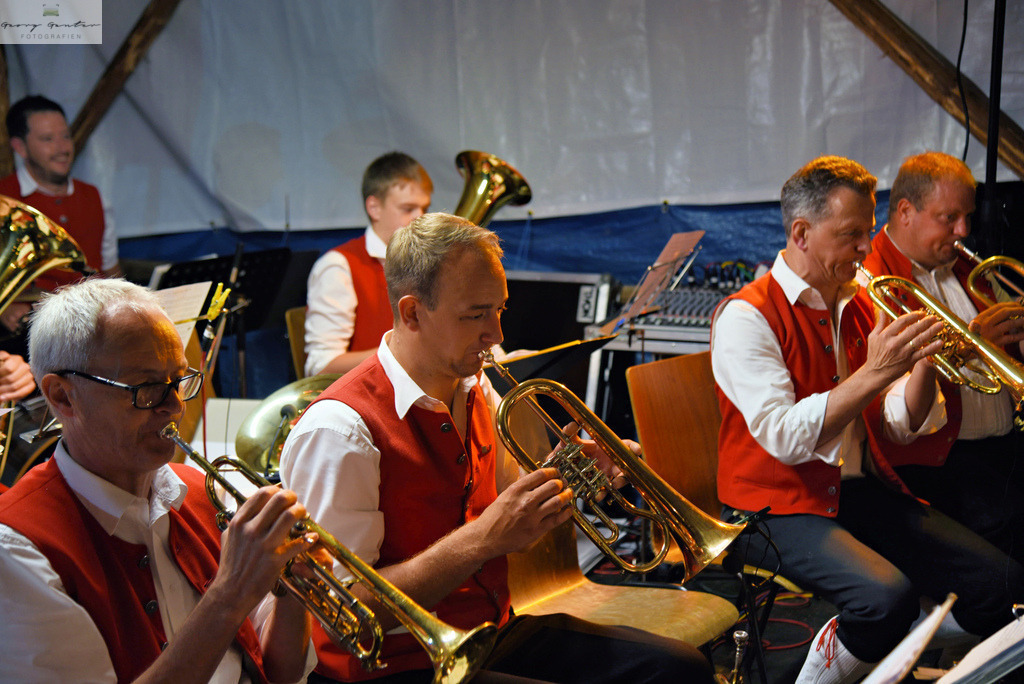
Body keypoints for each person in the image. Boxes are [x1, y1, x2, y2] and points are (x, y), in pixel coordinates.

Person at [280, 212, 714, 683]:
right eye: (475, 315)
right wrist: (482, 541)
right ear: (412, 313)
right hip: (392, 668)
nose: (497, 335)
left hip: (489, 634)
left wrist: (565, 477)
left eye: (499, 310)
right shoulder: (340, 431)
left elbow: (509, 515)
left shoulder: (476, 386)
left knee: (678, 669)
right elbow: (342, 613)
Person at [711, 156, 1024, 684]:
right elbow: (785, 437)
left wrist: (923, 363)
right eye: (851, 235)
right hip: (770, 508)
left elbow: (900, 424)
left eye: (868, 231)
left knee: (1003, 583)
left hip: (852, 492)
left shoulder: (857, 302)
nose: (865, 248)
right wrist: (875, 372)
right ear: (801, 233)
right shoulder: (747, 316)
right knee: (883, 600)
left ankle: (882, 652)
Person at [0, 278, 318, 683]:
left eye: (179, 380)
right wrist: (230, 592)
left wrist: (296, 590)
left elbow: (280, 673)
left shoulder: (204, 493)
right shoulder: (16, 548)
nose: (174, 406)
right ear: (63, 396)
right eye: (147, 388)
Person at [860, 150, 1024, 562]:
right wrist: (969, 343)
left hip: (1003, 450)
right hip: (942, 467)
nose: (963, 231)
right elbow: (894, 408)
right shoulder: (873, 281)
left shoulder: (964, 270)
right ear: (905, 212)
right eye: (949, 218)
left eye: (966, 217)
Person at [304, 151, 432, 377]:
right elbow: (320, 367)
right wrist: (404, 351)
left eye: (425, 208)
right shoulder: (339, 266)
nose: (420, 218)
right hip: (369, 394)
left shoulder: (430, 261)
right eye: (408, 209)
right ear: (374, 208)